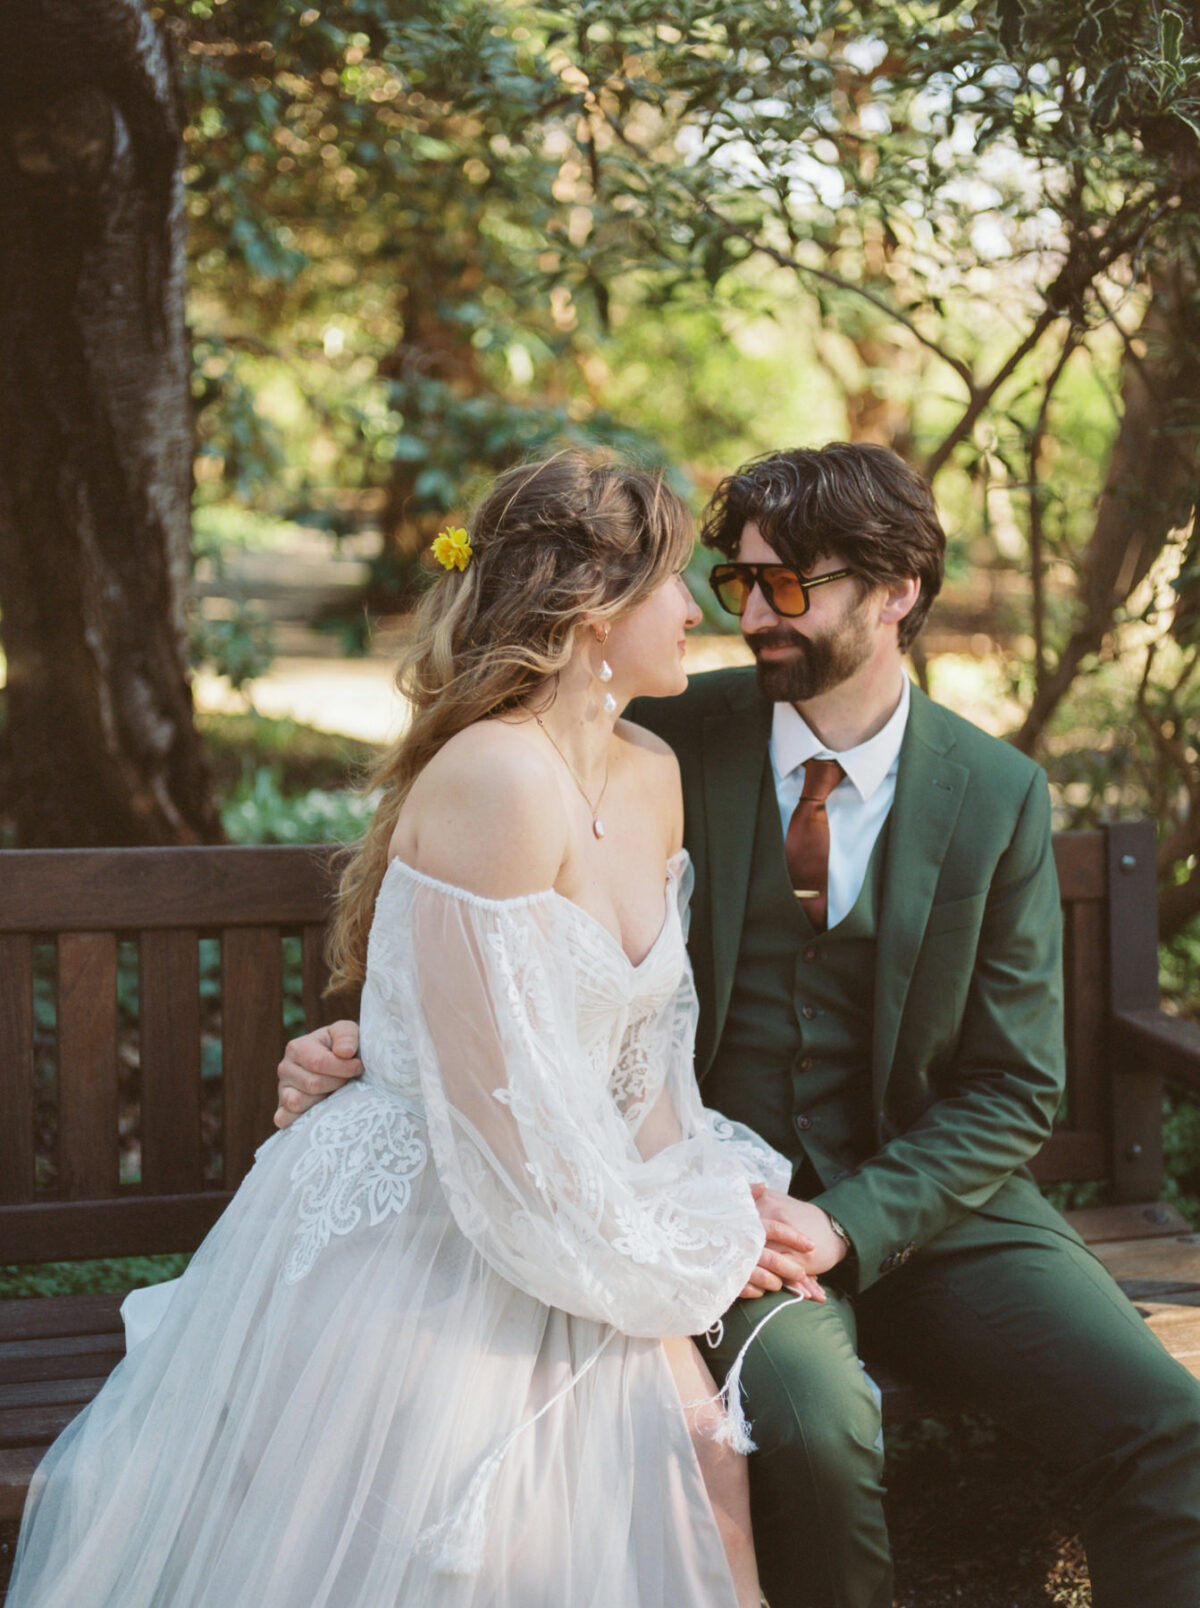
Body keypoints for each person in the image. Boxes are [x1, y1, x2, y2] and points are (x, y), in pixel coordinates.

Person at [282, 442, 1200, 1608]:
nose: (752, 616)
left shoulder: (998, 791)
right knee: (817, 1437)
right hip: (724, 1208)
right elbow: (504, 927)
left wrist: (848, 1222)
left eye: (789, 586)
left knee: (1166, 1423)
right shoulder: (659, 735)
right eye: (735, 584)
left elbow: (1014, 1088)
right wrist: (366, 1037)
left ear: (896, 592)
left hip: (937, 1208)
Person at [8, 455, 828, 1608]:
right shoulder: (495, 778)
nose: (699, 610)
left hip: (575, 1196)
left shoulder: (652, 772)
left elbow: (650, 1059)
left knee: (705, 1468)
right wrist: (662, 1273)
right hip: (440, 1219)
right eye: (678, 582)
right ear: (594, 608)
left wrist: (701, 1209)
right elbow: (497, 1110)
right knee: (515, 1505)